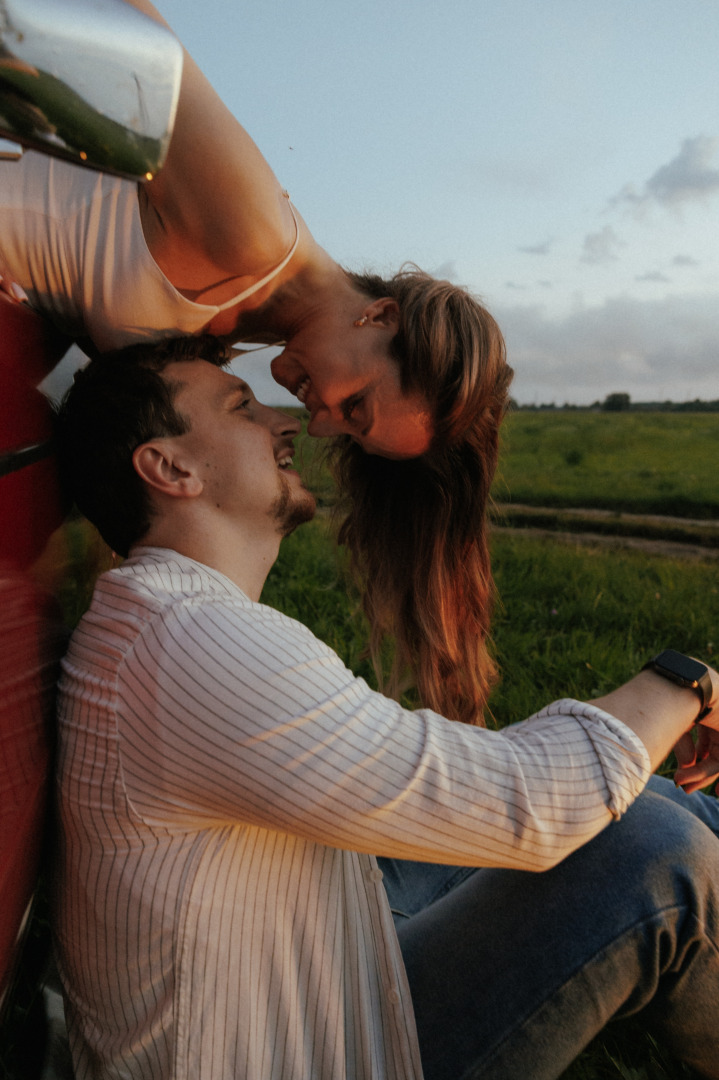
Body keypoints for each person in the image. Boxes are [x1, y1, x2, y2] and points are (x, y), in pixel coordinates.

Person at [54, 334, 719, 1080]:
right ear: (169, 467)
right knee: (655, 849)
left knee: (649, 795)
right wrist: (683, 682)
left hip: (317, 964)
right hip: (318, 1055)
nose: (286, 423)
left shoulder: (168, 616)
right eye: (242, 408)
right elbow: (530, 804)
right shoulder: (192, 640)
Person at [0, 0, 511, 725]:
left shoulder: (218, 343)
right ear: (382, 315)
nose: (324, 426)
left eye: (351, 433)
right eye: (355, 405)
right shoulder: (250, 236)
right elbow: (134, 36)